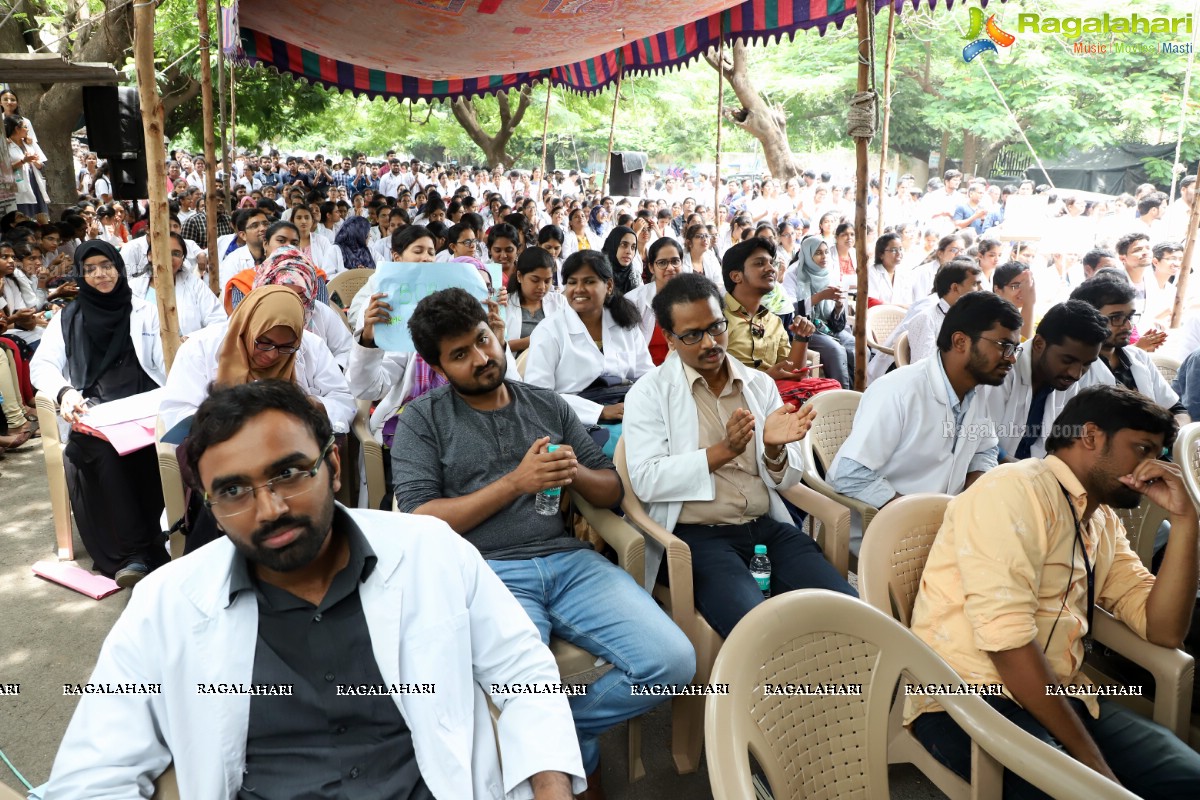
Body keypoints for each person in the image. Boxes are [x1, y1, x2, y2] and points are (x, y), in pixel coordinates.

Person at [43, 379, 588, 799]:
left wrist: (550, 788)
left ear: (331, 464)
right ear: (208, 505)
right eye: (233, 490)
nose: (270, 508)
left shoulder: (430, 551)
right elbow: (96, 772)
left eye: (289, 473)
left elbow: (524, 674)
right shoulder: (164, 606)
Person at [391, 288, 695, 799]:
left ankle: (563, 732)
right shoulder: (422, 421)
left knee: (673, 663)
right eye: (460, 354)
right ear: (438, 367)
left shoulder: (545, 403)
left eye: (483, 340)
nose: (482, 357)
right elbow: (422, 518)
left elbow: (611, 488)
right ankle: (548, 741)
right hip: (487, 573)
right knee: (521, 688)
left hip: (570, 564)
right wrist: (515, 483)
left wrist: (572, 470)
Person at [907, 385, 1200, 799]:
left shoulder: (1101, 520)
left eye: (1158, 454)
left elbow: (1164, 629)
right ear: (1091, 436)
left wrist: (1187, 521)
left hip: (1061, 694)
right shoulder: (1013, 490)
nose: (1152, 467)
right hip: (968, 699)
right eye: (1142, 449)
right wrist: (1094, 769)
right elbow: (1007, 646)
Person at [623, 272, 856, 637]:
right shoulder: (649, 394)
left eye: (716, 327)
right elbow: (647, 480)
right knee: (760, 634)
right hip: (697, 538)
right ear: (669, 338)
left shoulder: (758, 384)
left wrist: (776, 450)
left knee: (847, 613)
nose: (710, 343)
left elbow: (789, 478)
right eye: (692, 335)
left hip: (766, 528)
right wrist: (722, 451)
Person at [29, 241, 166, 584]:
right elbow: (42, 366)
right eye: (90, 269)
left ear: (119, 267)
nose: (100, 274)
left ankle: (169, 535)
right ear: (80, 275)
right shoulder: (67, 318)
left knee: (160, 444)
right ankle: (133, 554)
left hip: (144, 405)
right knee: (102, 452)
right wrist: (66, 392)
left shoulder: (144, 310)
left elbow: (164, 362)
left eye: (106, 265)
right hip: (95, 411)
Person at [828, 292, 1020, 523]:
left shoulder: (975, 394)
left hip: (945, 529)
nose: (1012, 359)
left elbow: (984, 451)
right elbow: (849, 475)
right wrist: (920, 520)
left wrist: (968, 504)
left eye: (1015, 349)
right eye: (1004, 346)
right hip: (889, 536)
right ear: (961, 341)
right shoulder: (897, 391)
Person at [159, 285, 354, 438]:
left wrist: (313, 406)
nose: (272, 356)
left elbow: (343, 401)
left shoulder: (310, 347)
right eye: (264, 343)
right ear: (247, 328)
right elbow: (177, 414)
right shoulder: (199, 349)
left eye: (286, 347)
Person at [523, 250, 653, 436]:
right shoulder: (549, 330)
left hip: (628, 410)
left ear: (608, 285)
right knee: (631, 445)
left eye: (589, 281)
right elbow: (538, 397)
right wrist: (599, 411)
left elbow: (645, 376)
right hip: (574, 421)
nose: (578, 289)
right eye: (572, 282)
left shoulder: (625, 323)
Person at [980, 300, 1109, 461]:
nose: (1076, 374)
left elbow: (1059, 444)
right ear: (1039, 344)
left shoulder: (1065, 381)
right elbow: (978, 440)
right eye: (1068, 360)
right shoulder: (1003, 371)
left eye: (1087, 364)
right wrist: (1026, 474)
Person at [1071, 274, 1189, 426]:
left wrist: (1173, 433)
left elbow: (1177, 409)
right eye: (1116, 318)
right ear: (1087, 317)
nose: (1128, 326)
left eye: (1130, 317)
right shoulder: (1073, 368)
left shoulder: (1138, 357)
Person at [720, 238, 813, 384]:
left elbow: (793, 373)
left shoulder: (774, 321)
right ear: (736, 276)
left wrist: (801, 337)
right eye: (759, 263)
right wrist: (765, 377)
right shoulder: (717, 318)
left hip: (773, 398)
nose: (771, 269)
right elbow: (711, 376)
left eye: (772, 263)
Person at [128, 231, 226, 337]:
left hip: (187, 351)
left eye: (176, 254)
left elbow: (218, 322)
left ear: (182, 259)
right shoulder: (133, 288)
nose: (169, 258)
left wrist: (191, 340)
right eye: (163, 251)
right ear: (150, 256)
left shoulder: (195, 285)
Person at [786, 235, 853, 389]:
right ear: (807, 255)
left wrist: (838, 306)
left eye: (826, 252)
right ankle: (841, 396)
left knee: (856, 347)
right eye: (817, 253)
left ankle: (858, 391)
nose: (824, 257)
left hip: (827, 325)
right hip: (805, 328)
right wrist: (820, 296)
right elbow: (791, 310)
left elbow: (836, 317)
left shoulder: (829, 273)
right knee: (836, 351)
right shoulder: (795, 273)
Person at [904, 259, 985, 365]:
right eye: (975, 284)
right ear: (955, 287)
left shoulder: (966, 317)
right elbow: (923, 366)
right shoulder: (926, 319)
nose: (981, 289)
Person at [625, 237, 682, 365]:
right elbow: (627, 352)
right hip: (644, 374)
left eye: (675, 261)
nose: (670, 268)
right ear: (651, 267)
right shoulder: (633, 301)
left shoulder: (693, 299)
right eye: (662, 263)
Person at [505, 246, 565, 354]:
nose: (542, 287)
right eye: (535, 280)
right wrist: (532, 340)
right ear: (519, 276)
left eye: (547, 281)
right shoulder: (504, 303)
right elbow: (496, 346)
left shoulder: (560, 302)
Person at [6, 115, 48, 217]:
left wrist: (36, 163)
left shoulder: (30, 143)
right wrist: (23, 161)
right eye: (25, 127)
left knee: (41, 218)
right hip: (18, 186)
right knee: (23, 217)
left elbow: (42, 165)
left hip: (35, 183)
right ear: (17, 128)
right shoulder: (5, 145)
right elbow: (4, 169)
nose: (27, 129)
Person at [599, 225, 643, 294]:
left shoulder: (634, 277)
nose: (629, 251)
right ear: (613, 245)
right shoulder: (598, 274)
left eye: (633, 247)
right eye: (624, 244)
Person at [682, 223, 723, 289]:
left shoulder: (711, 257)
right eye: (699, 236)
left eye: (707, 236)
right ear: (689, 242)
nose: (705, 239)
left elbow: (719, 284)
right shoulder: (681, 260)